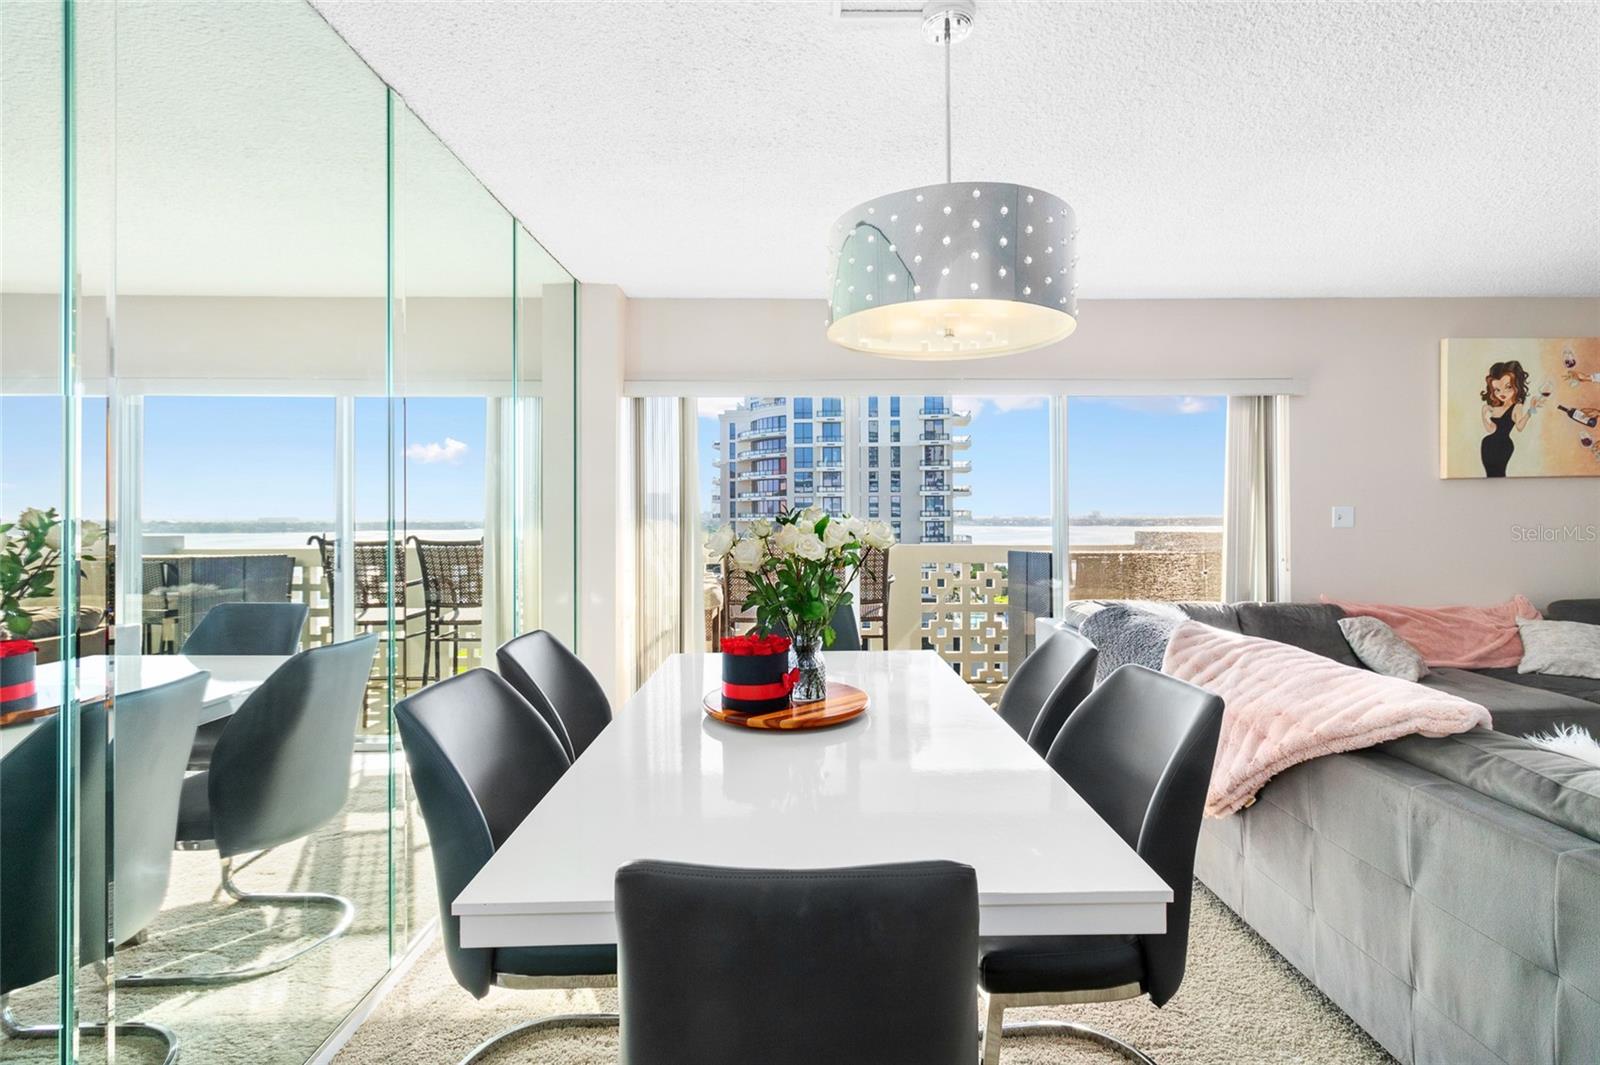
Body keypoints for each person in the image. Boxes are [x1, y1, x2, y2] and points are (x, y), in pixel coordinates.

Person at [1479, 360, 1543, 477]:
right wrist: (1483, 415)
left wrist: (1530, 410)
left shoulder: (1517, 407)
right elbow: (1490, 429)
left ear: (1516, 386)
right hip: (1487, 444)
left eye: (1508, 387)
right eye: (1497, 390)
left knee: (1498, 474)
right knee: (1490, 475)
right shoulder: (1496, 406)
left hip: (1503, 445)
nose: (1502, 393)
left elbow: (1519, 427)